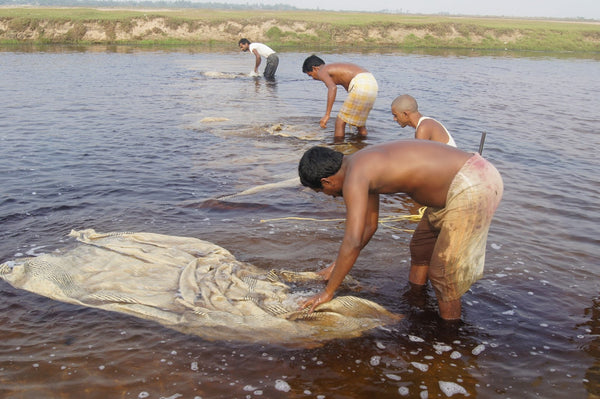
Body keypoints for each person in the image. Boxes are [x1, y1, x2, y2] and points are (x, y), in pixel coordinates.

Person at [297, 140, 503, 320]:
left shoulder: (355, 177)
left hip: (472, 183)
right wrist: (335, 267)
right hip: (460, 184)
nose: (330, 196)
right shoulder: (358, 164)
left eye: (323, 191)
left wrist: (328, 292)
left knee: (442, 273)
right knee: (420, 248)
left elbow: (352, 240)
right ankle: (416, 305)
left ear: (327, 181)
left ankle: (448, 339)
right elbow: (369, 226)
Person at [302, 55, 378, 141]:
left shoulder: (322, 71)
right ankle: (364, 145)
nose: (313, 78)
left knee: (340, 122)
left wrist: (327, 115)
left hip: (361, 82)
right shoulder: (334, 69)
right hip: (371, 82)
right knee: (360, 124)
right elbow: (347, 85)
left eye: (310, 75)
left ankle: (338, 147)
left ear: (315, 68)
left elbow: (332, 88)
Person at [391, 94, 457, 147]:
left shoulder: (423, 128)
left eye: (395, 115)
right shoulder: (426, 123)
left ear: (405, 114)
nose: (394, 119)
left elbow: (418, 159)